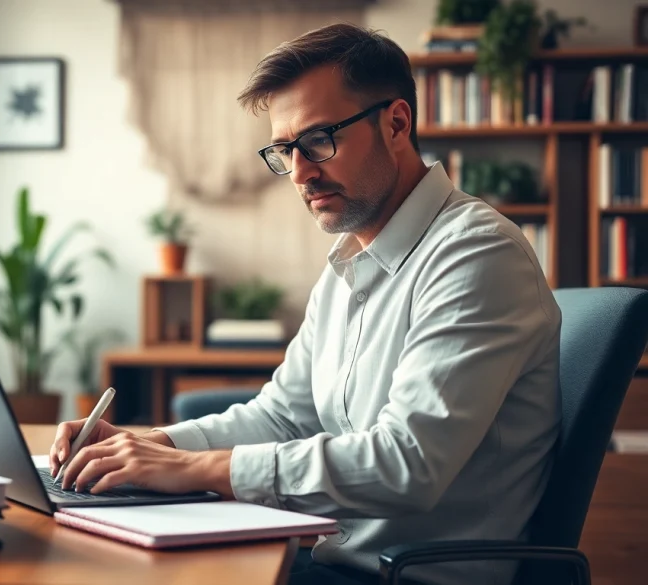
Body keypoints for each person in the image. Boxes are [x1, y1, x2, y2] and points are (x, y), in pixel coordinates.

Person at [49, 22, 560, 585]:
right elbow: (284, 415)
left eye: (319, 140)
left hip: (402, 576)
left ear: (396, 123)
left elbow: (408, 463)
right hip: (329, 555)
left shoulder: (475, 253)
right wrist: (148, 444)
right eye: (285, 150)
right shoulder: (348, 259)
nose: (299, 173)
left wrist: (192, 467)